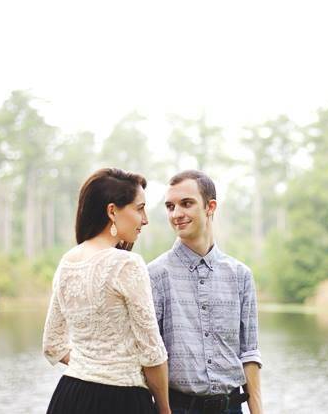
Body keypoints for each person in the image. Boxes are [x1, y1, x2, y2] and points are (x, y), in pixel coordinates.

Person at [42, 168, 171, 414]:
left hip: (69, 397)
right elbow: (153, 354)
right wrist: (165, 410)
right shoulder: (127, 264)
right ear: (112, 211)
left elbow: (52, 345)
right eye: (139, 208)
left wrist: (90, 364)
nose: (145, 219)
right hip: (120, 400)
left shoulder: (68, 261)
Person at [148, 170, 263, 414]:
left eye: (186, 204)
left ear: (210, 207)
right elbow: (150, 356)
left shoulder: (241, 275)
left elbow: (250, 353)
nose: (176, 214)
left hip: (232, 408)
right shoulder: (155, 275)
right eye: (170, 206)